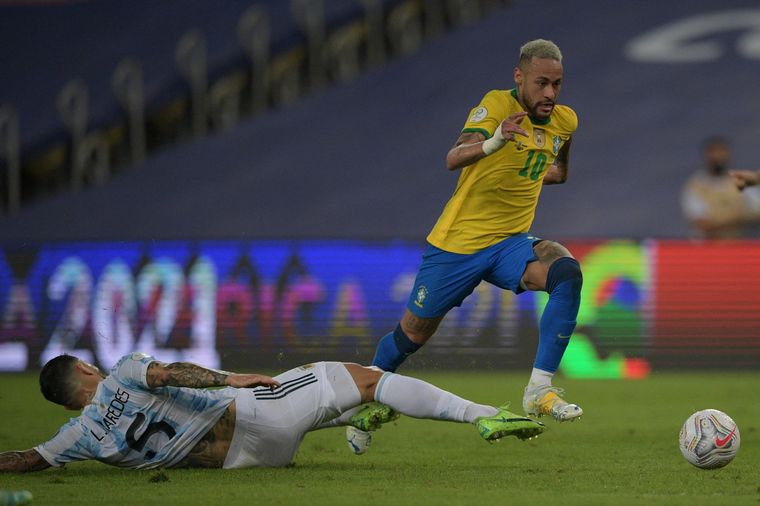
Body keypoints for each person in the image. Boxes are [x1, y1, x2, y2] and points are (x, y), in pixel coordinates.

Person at [348, 39, 584, 451]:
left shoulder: (565, 121)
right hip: (457, 246)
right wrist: (495, 141)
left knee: (566, 271)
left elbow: (559, 170)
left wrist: (530, 171)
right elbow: (454, 157)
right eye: (541, 83)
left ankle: (539, 389)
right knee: (411, 335)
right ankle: (360, 405)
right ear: (519, 77)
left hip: (510, 244)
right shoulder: (496, 105)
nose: (550, 93)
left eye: (557, 84)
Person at [0, 352, 543, 472]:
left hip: (245, 462)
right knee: (370, 379)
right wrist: (228, 378)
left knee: (331, 400)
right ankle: (482, 415)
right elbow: (167, 375)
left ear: (65, 403)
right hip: (252, 413)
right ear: (86, 370)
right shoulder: (123, 372)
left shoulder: (77, 437)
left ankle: (352, 420)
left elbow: (25, 460)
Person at [681, 137, 760, 239]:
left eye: (721, 153)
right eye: (713, 153)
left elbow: (757, 213)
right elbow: (701, 224)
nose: (718, 157)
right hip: (709, 245)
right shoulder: (695, 186)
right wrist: (738, 218)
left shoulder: (741, 180)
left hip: (740, 243)